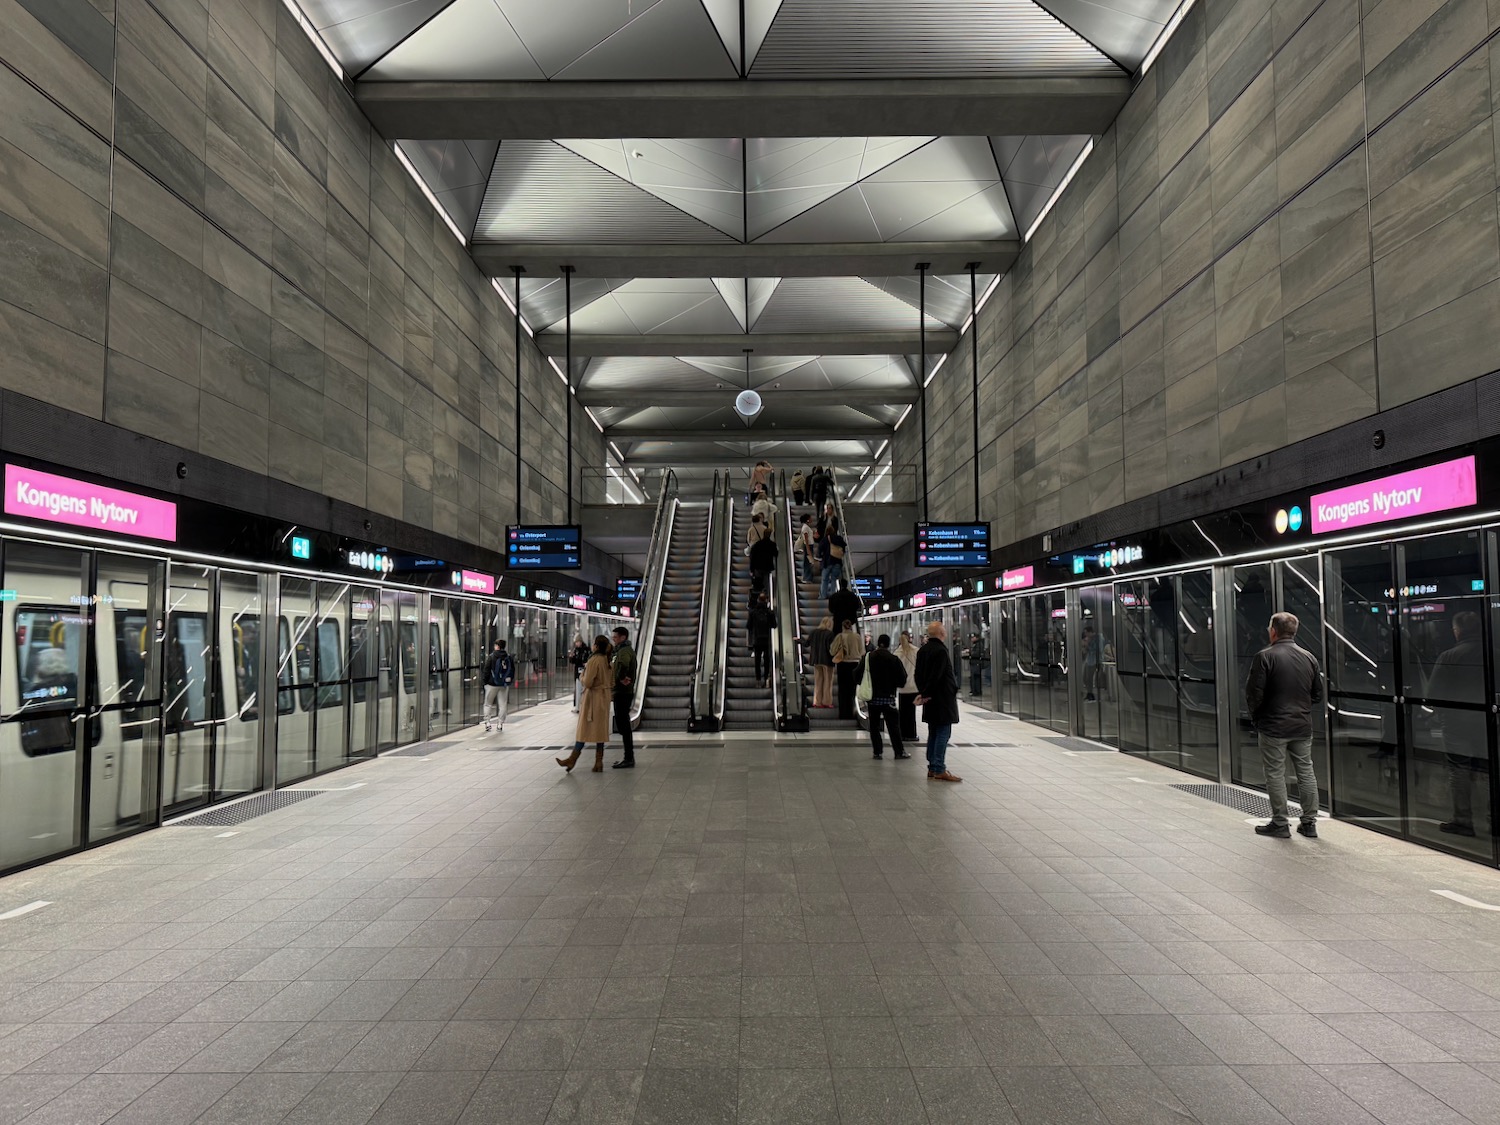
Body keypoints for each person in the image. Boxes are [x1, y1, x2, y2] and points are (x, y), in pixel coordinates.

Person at [1245, 611, 1323, 838]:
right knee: (1306, 772)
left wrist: (1257, 718)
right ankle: (1309, 823)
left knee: (1275, 773)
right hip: (1301, 726)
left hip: (1273, 727)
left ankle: (1280, 823)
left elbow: (1253, 694)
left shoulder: (1264, 656)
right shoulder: (1309, 657)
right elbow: (1317, 694)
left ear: (1273, 631)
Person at [1426, 611, 1486, 836]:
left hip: (1456, 723)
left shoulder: (1449, 656)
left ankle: (1463, 820)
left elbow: (1433, 695)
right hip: (1486, 722)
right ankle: (1495, 820)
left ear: (1457, 631)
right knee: (1490, 770)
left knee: (1459, 768)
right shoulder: (1495, 654)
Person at [557, 636, 612, 773]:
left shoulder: (594, 660)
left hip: (593, 699)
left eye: (594, 644)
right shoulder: (608, 660)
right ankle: (598, 761)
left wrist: (582, 675)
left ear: (597, 646)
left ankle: (572, 759)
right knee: (600, 731)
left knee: (583, 730)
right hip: (604, 698)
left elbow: (587, 682)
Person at [915, 620, 961, 782]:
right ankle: (939, 768)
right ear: (941, 634)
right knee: (943, 732)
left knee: (933, 731)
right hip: (942, 698)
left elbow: (918, 675)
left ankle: (932, 767)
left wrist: (923, 693)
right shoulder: (941, 651)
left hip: (930, 698)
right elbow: (938, 675)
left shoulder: (923, 650)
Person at [861, 634, 909, 760]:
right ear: (888, 644)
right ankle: (899, 752)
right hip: (889, 698)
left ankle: (877, 752)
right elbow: (902, 679)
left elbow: (857, 674)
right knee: (893, 726)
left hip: (873, 698)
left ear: (878, 643)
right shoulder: (893, 659)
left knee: (874, 726)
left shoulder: (868, 657)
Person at [609, 626, 637, 769]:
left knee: (624, 726)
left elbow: (623, 664)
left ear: (623, 637)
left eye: (616, 637)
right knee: (622, 725)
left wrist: (621, 678)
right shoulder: (621, 650)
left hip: (623, 692)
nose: (613, 639)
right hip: (621, 691)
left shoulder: (624, 651)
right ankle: (628, 756)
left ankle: (629, 758)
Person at [830, 618, 863, 720]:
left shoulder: (840, 636)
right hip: (855, 664)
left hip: (843, 665)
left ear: (843, 626)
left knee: (843, 690)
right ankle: (852, 712)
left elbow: (832, 651)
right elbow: (862, 652)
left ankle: (843, 713)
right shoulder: (857, 637)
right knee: (852, 690)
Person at [480, 639, 515, 732]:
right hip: (503, 684)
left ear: (497, 646)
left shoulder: (492, 657)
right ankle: (500, 724)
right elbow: (512, 670)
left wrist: (484, 682)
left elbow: (486, 670)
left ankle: (487, 722)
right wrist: (508, 681)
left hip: (492, 684)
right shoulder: (508, 657)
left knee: (488, 704)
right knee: (503, 704)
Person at [748, 592, 777, 687]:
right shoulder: (769, 612)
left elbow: (748, 626)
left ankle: (758, 679)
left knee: (757, 660)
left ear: (758, 600)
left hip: (757, 639)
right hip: (766, 639)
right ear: (766, 600)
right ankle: (766, 678)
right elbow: (774, 625)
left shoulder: (753, 612)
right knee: (766, 659)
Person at [896, 630, 920, 740]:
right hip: (914, 686)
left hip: (902, 687)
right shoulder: (916, 651)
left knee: (902, 711)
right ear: (910, 638)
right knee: (911, 713)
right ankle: (912, 734)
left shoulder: (897, 653)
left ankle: (902, 734)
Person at [807, 615, 835, 709]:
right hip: (827, 661)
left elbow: (806, 643)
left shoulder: (814, 632)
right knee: (827, 682)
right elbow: (830, 648)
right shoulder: (830, 634)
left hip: (816, 661)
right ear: (829, 624)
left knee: (818, 681)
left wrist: (797, 640)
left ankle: (817, 702)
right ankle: (826, 702)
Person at [819, 518, 846, 599]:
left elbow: (820, 550)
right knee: (834, 579)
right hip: (837, 562)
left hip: (827, 562)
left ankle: (823, 596)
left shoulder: (824, 539)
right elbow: (844, 548)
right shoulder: (839, 538)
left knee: (825, 580)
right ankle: (833, 596)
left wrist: (820, 557)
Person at [748, 529, 778, 595]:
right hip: (767, 567)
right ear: (770, 535)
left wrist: (751, 569)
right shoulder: (772, 544)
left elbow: (752, 557)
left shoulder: (757, 544)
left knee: (758, 583)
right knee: (766, 583)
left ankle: (758, 596)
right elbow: (776, 554)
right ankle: (765, 596)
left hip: (757, 567)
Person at [569, 635, 589, 712]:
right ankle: (577, 706)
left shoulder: (586, 650)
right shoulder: (575, 650)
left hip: (584, 672)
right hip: (578, 672)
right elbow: (573, 661)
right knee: (578, 689)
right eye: (576, 642)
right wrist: (571, 657)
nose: (577, 643)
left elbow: (584, 659)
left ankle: (581, 706)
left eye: (578, 642)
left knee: (583, 689)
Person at [1081, 624, 1101, 702]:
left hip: (1094, 661)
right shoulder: (1089, 639)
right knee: (1085, 678)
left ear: (1090, 632)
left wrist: (1087, 645)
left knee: (1089, 678)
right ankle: (1089, 692)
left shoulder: (1097, 638)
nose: (1085, 634)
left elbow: (1097, 650)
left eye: (1086, 633)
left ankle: (1091, 694)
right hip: (1088, 660)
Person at [798, 514, 818, 583]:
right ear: (807, 519)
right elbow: (806, 539)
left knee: (808, 562)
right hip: (808, 546)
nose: (811, 519)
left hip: (809, 545)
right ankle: (807, 577)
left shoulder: (806, 527)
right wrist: (808, 549)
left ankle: (807, 577)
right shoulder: (805, 528)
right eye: (810, 518)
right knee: (808, 562)